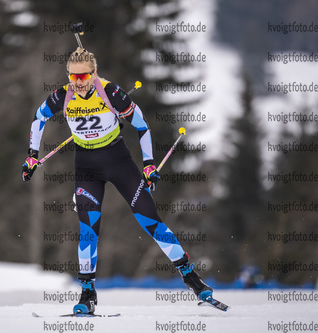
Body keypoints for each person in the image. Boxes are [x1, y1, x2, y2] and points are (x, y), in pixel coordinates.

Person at [22, 47, 213, 314]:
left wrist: (148, 166)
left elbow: (142, 125)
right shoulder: (62, 96)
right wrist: (32, 156)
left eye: (84, 77)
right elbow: (37, 119)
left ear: (94, 73)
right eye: (73, 77)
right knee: (88, 231)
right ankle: (87, 295)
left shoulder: (110, 92)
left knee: (150, 220)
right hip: (86, 167)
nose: (78, 83)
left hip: (118, 161)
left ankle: (191, 277)